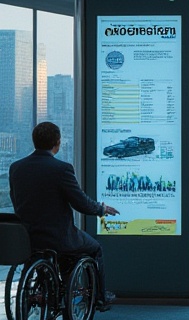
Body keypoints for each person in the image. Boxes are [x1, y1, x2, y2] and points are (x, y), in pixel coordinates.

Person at [9, 121, 119, 310]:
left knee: (55, 253)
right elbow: (80, 202)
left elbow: (15, 199)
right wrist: (101, 209)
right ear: (57, 143)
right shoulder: (61, 169)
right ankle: (100, 298)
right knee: (95, 249)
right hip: (58, 237)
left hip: (28, 237)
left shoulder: (16, 167)